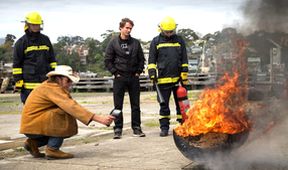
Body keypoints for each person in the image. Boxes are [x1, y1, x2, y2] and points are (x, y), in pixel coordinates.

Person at [20, 65, 115, 159]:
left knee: (63, 114)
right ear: (58, 78)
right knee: (63, 113)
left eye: (71, 81)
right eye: (68, 80)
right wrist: (99, 119)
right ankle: (52, 149)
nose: (70, 84)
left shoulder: (49, 86)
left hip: (32, 126)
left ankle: (33, 143)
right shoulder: (52, 88)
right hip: (34, 126)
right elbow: (72, 107)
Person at [105, 18, 146, 139]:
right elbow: (108, 60)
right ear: (121, 28)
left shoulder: (135, 43)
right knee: (118, 105)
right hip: (120, 77)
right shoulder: (113, 43)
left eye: (130, 28)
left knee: (136, 105)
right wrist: (115, 72)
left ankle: (137, 128)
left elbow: (141, 59)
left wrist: (138, 72)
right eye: (127, 28)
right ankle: (118, 129)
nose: (128, 30)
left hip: (133, 77)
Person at [148, 16, 189, 137]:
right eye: (167, 32)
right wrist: (152, 73)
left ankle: (184, 125)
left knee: (181, 104)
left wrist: (184, 72)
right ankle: (164, 128)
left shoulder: (179, 40)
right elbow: (151, 60)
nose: (170, 34)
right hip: (162, 80)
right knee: (163, 105)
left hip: (178, 79)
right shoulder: (155, 41)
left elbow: (184, 58)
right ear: (161, 29)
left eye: (172, 31)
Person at [12, 11, 57, 104]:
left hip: (45, 82)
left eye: (37, 25)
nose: (36, 27)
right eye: (33, 25)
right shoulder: (21, 43)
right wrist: (18, 80)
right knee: (30, 111)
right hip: (28, 86)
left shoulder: (46, 40)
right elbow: (17, 64)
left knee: (46, 110)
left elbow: (52, 60)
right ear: (27, 24)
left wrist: (54, 74)